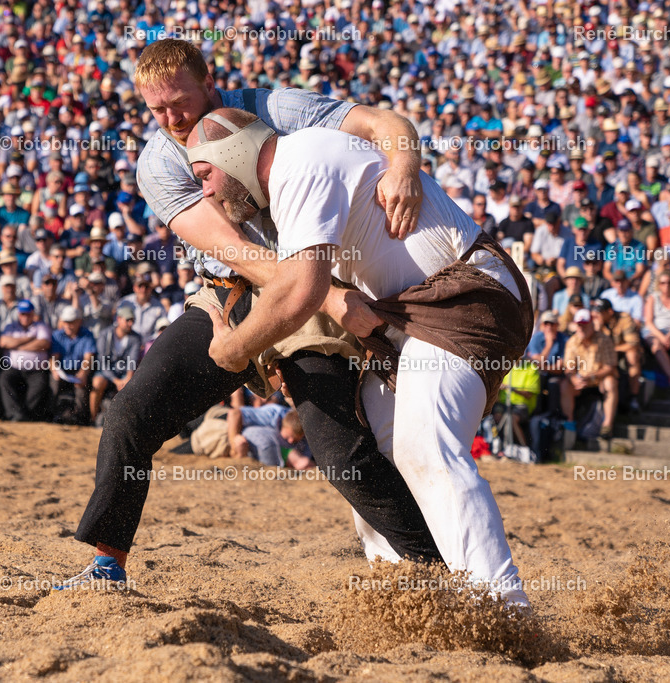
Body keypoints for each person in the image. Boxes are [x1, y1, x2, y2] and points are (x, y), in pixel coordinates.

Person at [63, 39, 442, 590]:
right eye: (156, 110)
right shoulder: (158, 162)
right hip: (235, 295)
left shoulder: (275, 108)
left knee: (341, 456)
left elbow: (385, 121)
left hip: (312, 291)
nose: (171, 119)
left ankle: (440, 572)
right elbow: (238, 253)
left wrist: (404, 163)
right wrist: (330, 299)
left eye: (180, 103)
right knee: (129, 417)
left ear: (210, 83)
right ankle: (106, 564)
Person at [191, 108, 533, 606]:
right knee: (370, 454)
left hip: (466, 297)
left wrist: (235, 348)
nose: (206, 192)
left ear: (233, 154)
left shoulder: (297, 163)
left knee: (426, 450)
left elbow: (301, 291)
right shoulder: (299, 167)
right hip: (416, 318)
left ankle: (504, 610)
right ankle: (412, 599)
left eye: (205, 175)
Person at [560, 309, 619, 440]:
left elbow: (610, 366)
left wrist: (593, 376)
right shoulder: (572, 342)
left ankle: (607, 425)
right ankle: (569, 425)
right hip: (581, 382)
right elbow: (569, 368)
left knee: (610, 383)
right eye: (579, 325)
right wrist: (574, 379)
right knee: (565, 385)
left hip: (599, 380)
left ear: (592, 324)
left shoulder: (604, 339)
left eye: (584, 324)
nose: (581, 328)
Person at [0, 300, 53, 422]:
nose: (25, 317)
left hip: (36, 370)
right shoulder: (10, 326)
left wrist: (17, 345)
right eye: (23, 314)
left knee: (40, 385)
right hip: (13, 367)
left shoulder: (41, 326)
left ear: (33, 313)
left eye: (28, 314)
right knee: (5, 380)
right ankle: (15, 415)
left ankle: (25, 415)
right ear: (18, 314)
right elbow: (4, 342)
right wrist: (29, 339)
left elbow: (44, 344)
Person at [90, 307, 142, 425]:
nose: (130, 323)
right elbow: (102, 362)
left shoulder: (135, 338)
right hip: (107, 371)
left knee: (132, 386)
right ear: (118, 319)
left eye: (132, 320)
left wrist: (128, 378)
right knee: (97, 383)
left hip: (124, 372)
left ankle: (126, 424)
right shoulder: (105, 334)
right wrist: (116, 380)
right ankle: (92, 419)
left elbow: (132, 361)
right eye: (128, 320)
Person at [591, 299, 642, 413]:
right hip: (604, 358)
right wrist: (598, 329)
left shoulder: (624, 318)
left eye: (600, 312)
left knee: (632, 355)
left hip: (622, 354)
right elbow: (591, 347)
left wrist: (612, 349)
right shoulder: (594, 321)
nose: (597, 314)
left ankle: (634, 397)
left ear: (609, 311)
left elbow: (633, 343)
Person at [50, 306, 97, 425]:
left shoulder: (87, 335)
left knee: (81, 388)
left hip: (79, 369)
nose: (68, 325)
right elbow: (53, 358)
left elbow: (89, 358)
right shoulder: (57, 335)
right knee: (54, 385)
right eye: (66, 322)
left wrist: (82, 373)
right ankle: (53, 414)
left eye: (71, 322)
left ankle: (80, 418)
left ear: (79, 321)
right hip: (62, 370)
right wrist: (55, 370)